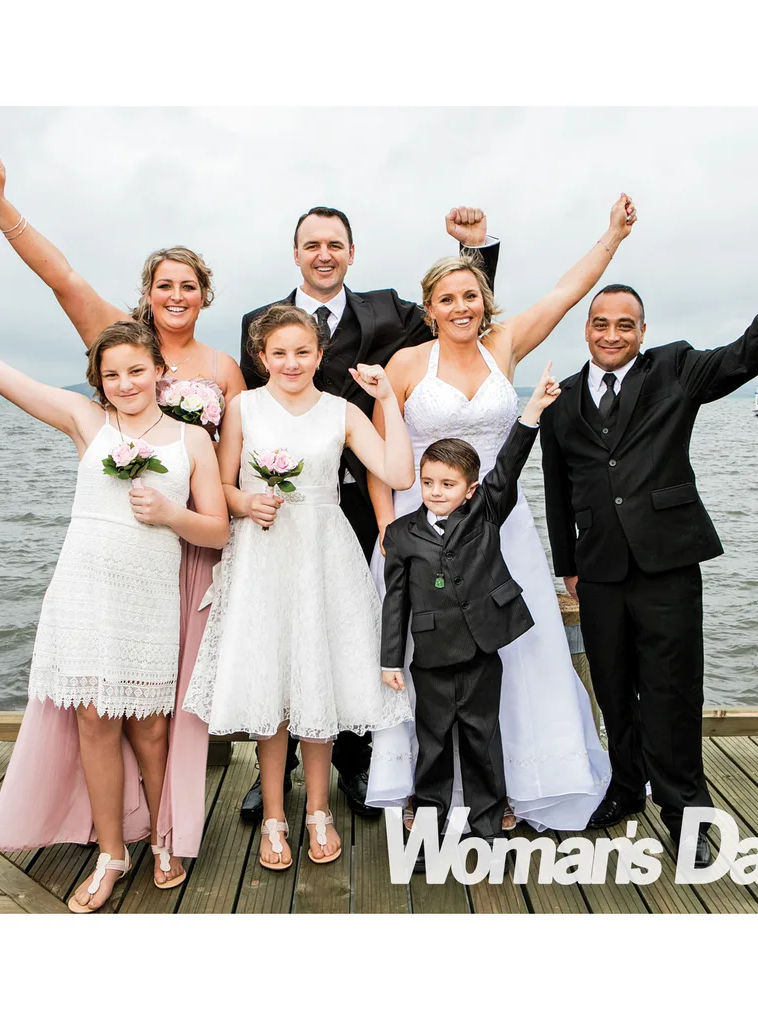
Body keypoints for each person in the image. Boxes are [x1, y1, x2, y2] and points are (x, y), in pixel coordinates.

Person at [0, 273, 229, 911]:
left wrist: (172, 515)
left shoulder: (191, 439)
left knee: (150, 727)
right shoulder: (87, 421)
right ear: (98, 381)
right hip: (82, 593)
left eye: (136, 371)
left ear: (159, 371)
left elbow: (217, 531)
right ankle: (112, 853)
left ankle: (163, 836)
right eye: (112, 375)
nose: (125, 384)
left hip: (148, 599)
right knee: (94, 721)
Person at [0, 147, 245, 875]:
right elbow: (58, 275)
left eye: (188, 286)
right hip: (122, 547)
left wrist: (237, 511)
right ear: (145, 295)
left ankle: (170, 827)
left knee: (170, 711)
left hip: (190, 544)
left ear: (205, 295)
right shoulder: (119, 343)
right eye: (163, 285)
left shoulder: (224, 368)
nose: (176, 296)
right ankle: (110, 831)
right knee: (104, 704)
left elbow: (235, 459)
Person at [540, 211, 758, 868]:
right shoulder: (561, 400)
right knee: (613, 688)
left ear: (643, 332)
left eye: (625, 325)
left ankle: (685, 813)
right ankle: (625, 787)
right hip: (598, 570)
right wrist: (568, 564)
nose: (612, 334)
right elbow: (557, 489)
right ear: (587, 329)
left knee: (672, 691)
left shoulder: (676, 369)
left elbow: (748, 355)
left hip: (667, 562)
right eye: (601, 324)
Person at [367, 195, 637, 831]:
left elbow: (568, 293)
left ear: (484, 302)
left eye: (471, 296)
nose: (461, 307)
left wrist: (613, 237)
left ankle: (514, 781)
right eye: (448, 299)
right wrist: (387, 531)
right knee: (425, 656)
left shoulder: (505, 346)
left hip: (499, 524)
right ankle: (426, 788)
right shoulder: (406, 364)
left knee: (518, 649)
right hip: (423, 524)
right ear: (430, 309)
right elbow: (383, 460)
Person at [237, 204, 499, 820]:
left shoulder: (388, 312)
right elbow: (255, 409)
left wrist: (474, 251)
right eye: (311, 244)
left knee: (348, 628)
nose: (323, 254)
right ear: (295, 254)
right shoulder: (259, 323)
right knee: (279, 633)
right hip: (282, 505)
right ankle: (277, 769)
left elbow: (459, 312)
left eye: (335, 244)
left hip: (359, 496)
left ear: (351, 253)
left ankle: (354, 761)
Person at [183, 305, 414, 869]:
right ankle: (274, 816)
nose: (292, 362)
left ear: (320, 354)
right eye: (279, 353)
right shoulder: (244, 407)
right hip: (263, 555)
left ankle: (317, 809)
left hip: (323, 554)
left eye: (303, 352)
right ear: (262, 357)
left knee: (317, 679)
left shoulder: (342, 412)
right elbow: (222, 485)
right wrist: (246, 502)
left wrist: (387, 400)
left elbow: (401, 474)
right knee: (273, 684)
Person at [381, 363, 561, 850]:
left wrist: (532, 412)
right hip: (432, 656)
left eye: (448, 484)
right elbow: (395, 601)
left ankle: (487, 829)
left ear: (471, 489)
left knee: (483, 738)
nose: (436, 492)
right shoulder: (400, 535)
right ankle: (428, 828)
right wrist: (390, 661)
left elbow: (509, 464)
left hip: (483, 648)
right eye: (429, 482)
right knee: (434, 741)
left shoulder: (486, 513)